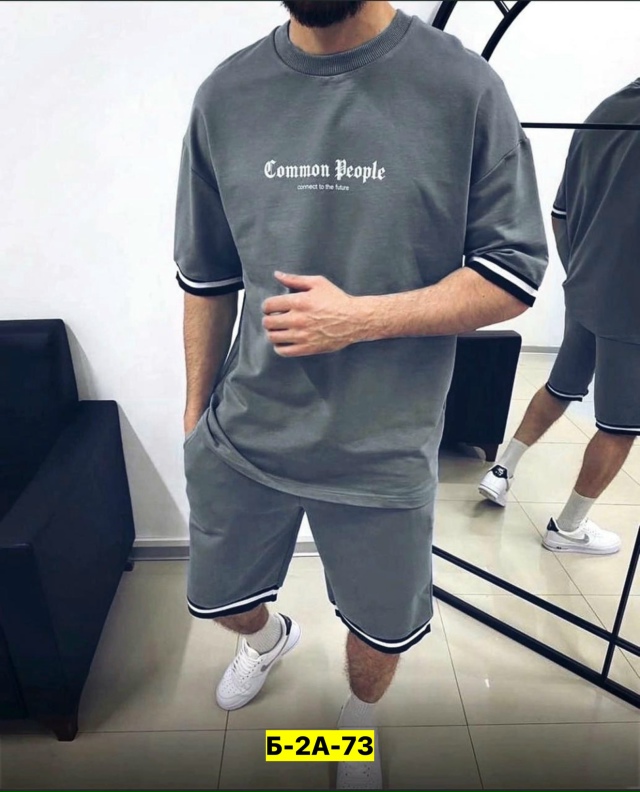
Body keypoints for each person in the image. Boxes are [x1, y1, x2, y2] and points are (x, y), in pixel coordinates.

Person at [174, 1, 547, 787]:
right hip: (246, 432)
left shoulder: (462, 87)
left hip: (384, 445)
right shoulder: (226, 95)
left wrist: (359, 319)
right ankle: (270, 640)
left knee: (380, 636)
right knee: (219, 601)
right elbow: (206, 276)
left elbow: (513, 274)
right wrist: (193, 414)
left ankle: (352, 733)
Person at [479, 79, 640, 556]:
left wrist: (581, 272)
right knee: (621, 425)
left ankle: (501, 470)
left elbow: (560, 213)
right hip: (632, 305)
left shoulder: (605, 110)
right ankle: (568, 529)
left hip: (587, 286)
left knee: (562, 385)